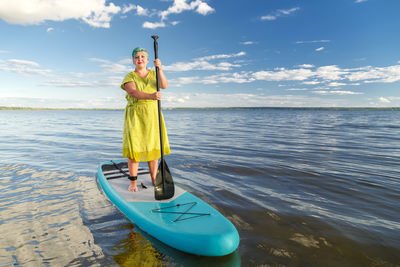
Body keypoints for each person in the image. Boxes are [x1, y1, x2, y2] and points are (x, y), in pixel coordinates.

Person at [120, 47, 170, 192]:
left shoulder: (154, 74)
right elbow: (133, 92)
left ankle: (155, 180)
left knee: (153, 150)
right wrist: (151, 96)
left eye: (143, 56)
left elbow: (164, 85)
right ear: (133, 60)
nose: (140, 59)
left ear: (148, 60)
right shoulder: (129, 76)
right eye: (137, 57)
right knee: (135, 149)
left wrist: (160, 68)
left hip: (153, 115)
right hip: (136, 115)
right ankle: (133, 182)